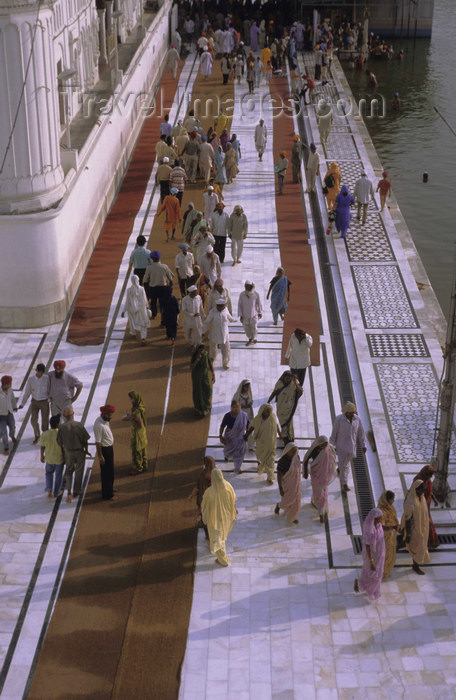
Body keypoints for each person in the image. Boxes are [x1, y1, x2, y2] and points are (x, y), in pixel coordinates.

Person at [201, 468, 237, 567]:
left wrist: (204, 516)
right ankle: (221, 558)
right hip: (226, 518)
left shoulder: (209, 492)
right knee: (221, 538)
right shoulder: (228, 486)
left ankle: (223, 560)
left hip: (214, 520)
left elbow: (205, 506)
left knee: (218, 539)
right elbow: (233, 499)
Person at [330, 401, 367, 492]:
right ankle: (344, 483)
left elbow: (361, 433)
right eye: (350, 413)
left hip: (352, 447)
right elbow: (334, 433)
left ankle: (340, 469)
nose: (351, 415)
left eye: (353, 413)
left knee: (344, 464)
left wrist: (363, 445)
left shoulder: (357, 420)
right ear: (346, 412)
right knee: (346, 466)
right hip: (341, 447)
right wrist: (331, 445)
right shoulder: (339, 420)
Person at [57, 407, 90, 503]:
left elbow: (59, 442)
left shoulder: (62, 427)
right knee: (79, 472)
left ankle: (69, 491)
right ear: (73, 414)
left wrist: (63, 452)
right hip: (79, 451)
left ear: (64, 416)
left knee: (68, 472)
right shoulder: (79, 425)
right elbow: (85, 440)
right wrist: (86, 450)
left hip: (68, 453)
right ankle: (76, 491)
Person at [302, 436, 336, 523]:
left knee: (323, 493)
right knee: (319, 492)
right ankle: (321, 512)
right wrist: (305, 472)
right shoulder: (315, 450)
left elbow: (333, 456)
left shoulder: (329, 448)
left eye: (326, 443)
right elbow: (306, 460)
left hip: (325, 476)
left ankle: (319, 510)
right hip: (317, 475)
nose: (325, 445)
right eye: (323, 444)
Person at [399, 480, 430, 575]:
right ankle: (416, 565)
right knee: (417, 545)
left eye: (423, 490)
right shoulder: (411, 501)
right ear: (415, 489)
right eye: (421, 490)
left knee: (420, 544)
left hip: (423, 526)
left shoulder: (421, 497)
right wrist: (408, 533)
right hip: (414, 528)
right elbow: (408, 519)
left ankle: (415, 563)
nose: (422, 492)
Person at [354, 508, 385, 600]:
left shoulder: (379, 526)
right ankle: (361, 584)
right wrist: (371, 561)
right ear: (375, 518)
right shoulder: (370, 531)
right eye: (380, 518)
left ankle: (374, 590)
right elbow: (368, 546)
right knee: (372, 573)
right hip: (371, 555)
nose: (381, 520)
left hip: (380, 554)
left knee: (378, 573)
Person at [245, 404, 281, 484]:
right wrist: (246, 435)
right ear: (263, 411)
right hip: (260, 443)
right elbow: (252, 427)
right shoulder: (257, 419)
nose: (268, 414)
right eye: (267, 412)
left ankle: (270, 477)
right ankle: (260, 465)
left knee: (270, 461)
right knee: (259, 456)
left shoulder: (272, 417)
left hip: (271, 444)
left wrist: (280, 434)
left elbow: (276, 425)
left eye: (269, 412)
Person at [268, 371, 303, 445]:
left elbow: (300, 392)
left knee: (289, 425)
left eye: (289, 378)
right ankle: (285, 440)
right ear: (283, 378)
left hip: (289, 409)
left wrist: (296, 385)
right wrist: (268, 402)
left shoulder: (294, 383)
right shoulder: (279, 384)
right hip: (281, 408)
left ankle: (289, 441)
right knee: (283, 425)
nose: (288, 380)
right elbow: (274, 392)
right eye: (286, 378)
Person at [19, 363, 49, 444]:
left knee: (45, 420)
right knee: (33, 420)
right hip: (35, 401)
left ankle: (46, 436)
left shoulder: (47, 379)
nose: (39, 373)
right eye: (38, 371)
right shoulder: (31, 379)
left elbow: (50, 390)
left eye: (40, 372)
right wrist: (22, 403)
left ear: (43, 372)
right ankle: (37, 435)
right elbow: (27, 392)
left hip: (44, 401)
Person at [202, 298, 235, 370]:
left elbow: (229, 317)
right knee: (213, 349)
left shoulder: (225, 310)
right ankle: (212, 359)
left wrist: (233, 320)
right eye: (219, 306)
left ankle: (225, 363)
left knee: (226, 350)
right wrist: (203, 331)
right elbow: (207, 322)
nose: (220, 307)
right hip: (214, 333)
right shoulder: (212, 312)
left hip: (224, 334)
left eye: (222, 306)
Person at [219, 400, 249, 473]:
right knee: (227, 450)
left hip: (240, 437)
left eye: (238, 407)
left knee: (240, 453)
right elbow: (222, 426)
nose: (236, 409)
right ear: (231, 408)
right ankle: (227, 456)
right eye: (234, 407)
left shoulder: (243, 415)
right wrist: (220, 436)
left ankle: (237, 468)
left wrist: (247, 433)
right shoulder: (227, 416)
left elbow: (248, 423)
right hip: (230, 437)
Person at [413, 465, 439, 549]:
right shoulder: (418, 481)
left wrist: (434, 499)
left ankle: (428, 541)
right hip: (420, 504)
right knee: (424, 522)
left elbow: (430, 492)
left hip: (426, 504)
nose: (430, 477)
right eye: (430, 475)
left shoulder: (428, 480)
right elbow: (414, 494)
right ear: (425, 473)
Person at [93, 405, 116, 501]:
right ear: (104, 414)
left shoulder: (105, 421)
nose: (110, 417)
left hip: (109, 448)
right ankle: (107, 494)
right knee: (106, 472)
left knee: (110, 471)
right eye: (109, 415)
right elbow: (98, 442)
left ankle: (110, 488)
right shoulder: (99, 425)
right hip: (105, 450)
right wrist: (100, 456)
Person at [188, 456, 215, 537]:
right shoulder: (217, 474)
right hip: (212, 502)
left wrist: (192, 495)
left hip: (206, 501)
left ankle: (208, 535)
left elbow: (198, 488)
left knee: (205, 520)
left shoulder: (203, 474)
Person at [122, 391, 147, 475]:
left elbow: (139, 424)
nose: (130, 400)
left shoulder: (136, 412)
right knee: (143, 449)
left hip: (137, 434)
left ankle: (138, 468)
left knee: (137, 451)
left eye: (131, 399)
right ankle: (144, 465)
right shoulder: (141, 407)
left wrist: (131, 418)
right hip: (142, 433)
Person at [143, 251, 174, 320]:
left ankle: (154, 314)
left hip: (153, 288)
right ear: (159, 258)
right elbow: (170, 276)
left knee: (153, 302)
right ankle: (163, 315)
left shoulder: (149, 267)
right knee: (162, 302)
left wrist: (146, 284)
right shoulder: (164, 266)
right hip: (163, 287)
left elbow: (145, 279)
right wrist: (171, 282)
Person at [275, 443, 301, 524]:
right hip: (287, 485)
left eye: (295, 451)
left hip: (296, 484)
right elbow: (279, 475)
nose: (294, 453)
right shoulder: (282, 462)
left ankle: (292, 517)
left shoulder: (296, 458)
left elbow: (298, 470)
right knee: (287, 500)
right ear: (287, 451)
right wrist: (280, 488)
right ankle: (279, 505)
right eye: (292, 451)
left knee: (296, 502)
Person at [122, 274, 151, 344]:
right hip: (142, 308)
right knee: (143, 322)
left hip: (132, 309)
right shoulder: (142, 289)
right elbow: (144, 298)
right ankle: (143, 337)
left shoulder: (129, 290)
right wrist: (147, 306)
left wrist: (124, 311)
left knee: (132, 320)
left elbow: (127, 301)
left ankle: (133, 332)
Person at [40, 414, 64, 498]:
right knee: (58, 476)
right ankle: (56, 492)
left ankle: (49, 491)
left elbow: (42, 446)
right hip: (59, 459)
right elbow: (63, 446)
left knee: (48, 474)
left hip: (49, 459)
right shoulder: (61, 433)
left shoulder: (45, 434)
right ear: (58, 424)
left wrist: (42, 455)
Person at [377, 490, 399, 579]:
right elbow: (380, 526)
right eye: (392, 499)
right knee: (384, 554)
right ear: (387, 499)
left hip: (391, 536)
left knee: (390, 554)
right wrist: (392, 527)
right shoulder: (380, 511)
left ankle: (385, 571)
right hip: (384, 537)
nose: (393, 501)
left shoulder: (390, 507)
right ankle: (381, 573)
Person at [190, 343, 215, 417]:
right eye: (201, 349)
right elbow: (191, 367)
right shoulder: (195, 356)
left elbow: (210, 364)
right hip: (197, 376)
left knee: (207, 390)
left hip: (205, 375)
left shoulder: (206, 354)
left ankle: (206, 404)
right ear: (198, 349)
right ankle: (201, 409)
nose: (202, 351)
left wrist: (213, 374)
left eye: (203, 349)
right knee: (199, 391)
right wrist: (197, 360)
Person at [238, 281, 262, 346]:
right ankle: (250, 338)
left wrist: (260, 312)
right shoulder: (242, 294)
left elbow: (259, 303)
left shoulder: (256, 294)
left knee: (254, 327)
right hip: (245, 315)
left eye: (249, 286)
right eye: (246, 286)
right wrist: (240, 315)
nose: (248, 287)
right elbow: (239, 305)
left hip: (254, 314)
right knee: (246, 328)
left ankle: (253, 338)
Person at [232, 379, 254, 450]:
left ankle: (250, 446)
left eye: (248, 387)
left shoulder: (249, 393)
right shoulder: (238, 395)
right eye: (246, 387)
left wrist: (250, 404)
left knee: (250, 429)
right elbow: (234, 405)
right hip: (241, 414)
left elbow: (251, 400)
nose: (247, 388)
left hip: (249, 414)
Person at [182, 285, 205, 350]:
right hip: (188, 320)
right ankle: (191, 343)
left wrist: (203, 315)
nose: (196, 292)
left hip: (197, 319)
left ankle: (198, 345)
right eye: (194, 292)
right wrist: (192, 314)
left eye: (196, 291)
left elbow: (201, 307)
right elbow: (184, 310)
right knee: (187, 333)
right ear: (190, 292)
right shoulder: (185, 299)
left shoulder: (198, 297)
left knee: (198, 332)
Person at [0, 375, 17, 455]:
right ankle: (6, 448)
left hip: (9, 413)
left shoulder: (10, 390)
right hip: (1, 415)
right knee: (3, 432)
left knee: (12, 426)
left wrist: (14, 407)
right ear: (4, 384)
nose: (10, 385)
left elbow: (12, 399)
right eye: (9, 384)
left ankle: (12, 435)